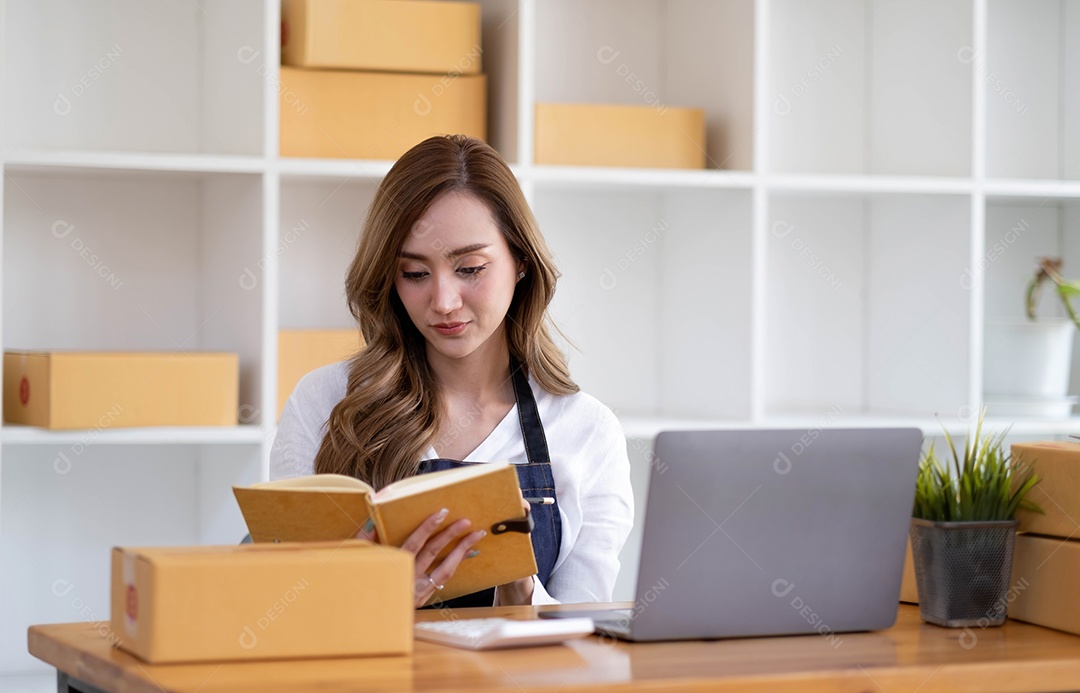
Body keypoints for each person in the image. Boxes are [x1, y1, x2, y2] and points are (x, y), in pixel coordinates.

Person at [270, 134, 633, 607]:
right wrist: (370, 598)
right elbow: (281, 609)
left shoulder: (587, 431)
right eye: (415, 274)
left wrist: (519, 591)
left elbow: (582, 642)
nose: (443, 302)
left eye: (470, 268)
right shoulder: (323, 402)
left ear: (521, 262)